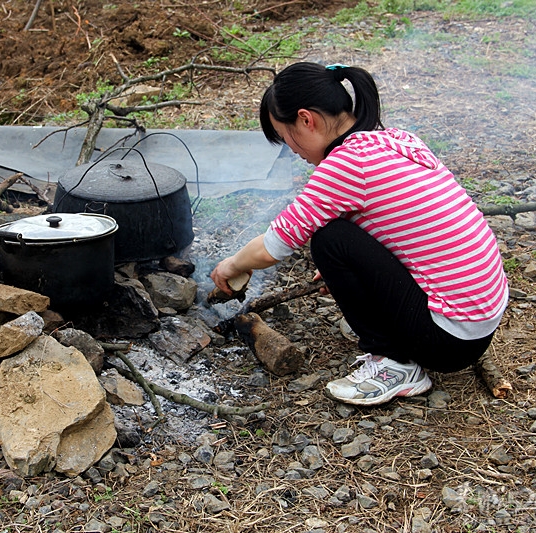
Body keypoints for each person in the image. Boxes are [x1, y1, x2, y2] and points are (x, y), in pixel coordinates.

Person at [210, 62, 509, 406]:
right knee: (341, 238)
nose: (290, 149)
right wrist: (359, 274)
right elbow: (402, 229)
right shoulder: (396, 140)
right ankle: (402, 346)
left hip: (448, 339)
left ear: (307, 120)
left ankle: (394, 365)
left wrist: (231, 266)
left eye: (286, 137)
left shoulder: (346, 165)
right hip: (481, 316)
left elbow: (272, 247)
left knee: (330, 239)